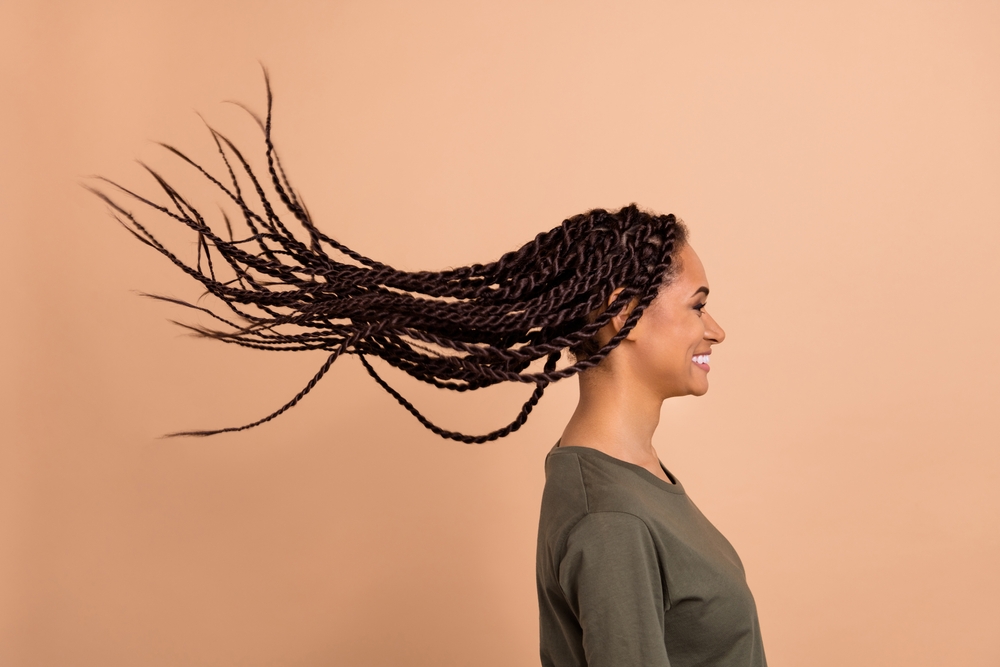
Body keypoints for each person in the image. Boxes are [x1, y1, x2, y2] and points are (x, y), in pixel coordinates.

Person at [90, 74, 766, 665]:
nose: (716, 329)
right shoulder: (613, 518)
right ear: (624, 313)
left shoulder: (627, 482)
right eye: (699, 304)